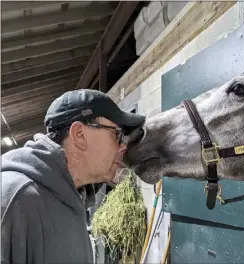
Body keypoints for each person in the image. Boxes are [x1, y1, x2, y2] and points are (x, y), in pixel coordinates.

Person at [1, 89, 146, 264]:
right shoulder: (14, 198)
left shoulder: (74, 197)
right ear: (79, 135)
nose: (123, 147)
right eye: (117, 134)